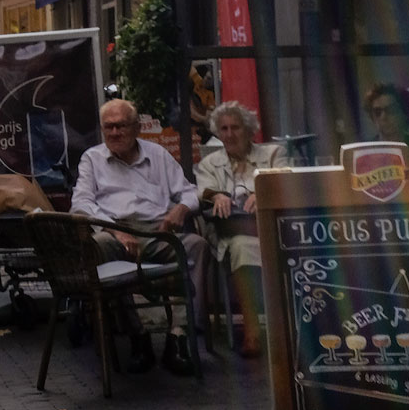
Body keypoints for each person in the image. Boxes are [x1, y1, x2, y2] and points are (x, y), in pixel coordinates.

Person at [71, 98, 204, 376]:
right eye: (109, 127)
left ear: (137, 128)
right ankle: (137, 336)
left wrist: (180, 208)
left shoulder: (157, 155)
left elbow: (190, 191)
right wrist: (115, 230)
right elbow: (81, 204)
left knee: (197, 246)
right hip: (114, 231)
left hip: (157, 231)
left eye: (121, 126)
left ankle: (178, 337)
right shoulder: (93, 159)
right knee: (99, 248)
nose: (115, 133)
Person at [194, 101, 281, 357]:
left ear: (249, 130)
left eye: (236, 128)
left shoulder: (274, 154)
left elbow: (286, 180)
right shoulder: (212, 163)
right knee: (242, 247)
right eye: (224, 129)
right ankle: (252, 329)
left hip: (272, 230)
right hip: (232, 232)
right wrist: (218, 196)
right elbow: (204, 190)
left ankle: (283, 328)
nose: (230, 134)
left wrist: (261, 191)